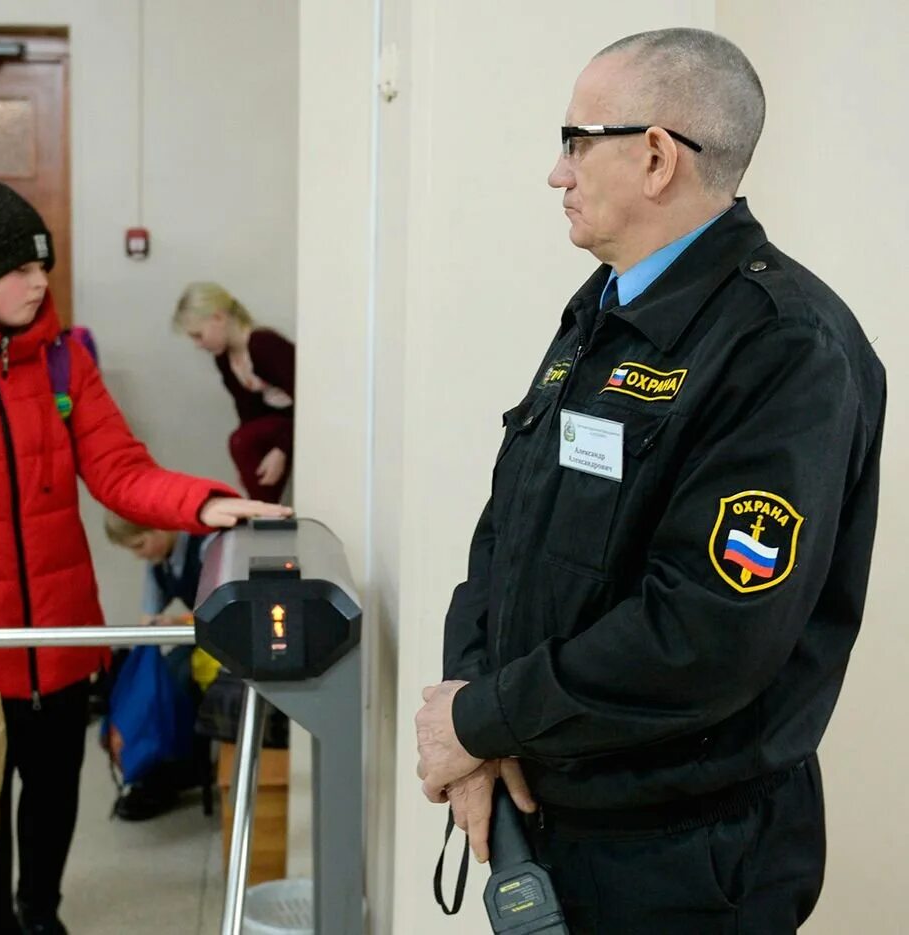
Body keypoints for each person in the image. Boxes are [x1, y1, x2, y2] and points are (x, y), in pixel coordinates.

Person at [413, 28, 886, 934]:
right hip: (556, 818)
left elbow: (707, 632)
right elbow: (505, 534)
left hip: (682, 861)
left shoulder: (784, 347)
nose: (559, 172)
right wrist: (473, 716)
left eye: (576, 141)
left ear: (658, 157)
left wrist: (485, 716)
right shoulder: (606, 308)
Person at [0, 180, 290, 935]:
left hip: (61, 640)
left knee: (53, 794)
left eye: (42, 267)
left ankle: (40, 913)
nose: (39, 282)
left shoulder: (61, 363)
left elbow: (120, 468)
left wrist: (203, 504)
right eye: (22, 269)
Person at [101, 513, 219, 821]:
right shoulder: (159, 564)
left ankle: (182, 765)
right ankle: (162, 762)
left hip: (227, 638)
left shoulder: (207, 547)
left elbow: (221, 610)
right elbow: (147, 619)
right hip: (201, 637)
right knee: (154, 676)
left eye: (140, 544)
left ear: (159, 527)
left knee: (178, 678)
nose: (139, 554)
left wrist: (176, 621)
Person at [174, 282, 295, 503]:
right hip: (278, 427)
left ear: (218, 318)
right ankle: (262, 509)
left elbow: (307, 404)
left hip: (296, 423)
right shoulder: (225, 359)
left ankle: (263, 511)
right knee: (242, 441)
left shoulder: (264, 345)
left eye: (198, 335)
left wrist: (282, 449)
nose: (198, 345)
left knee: (242, 440)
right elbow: (248, 414)